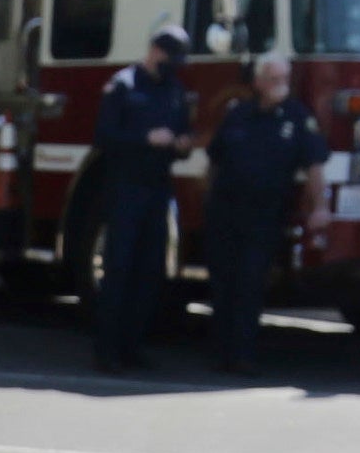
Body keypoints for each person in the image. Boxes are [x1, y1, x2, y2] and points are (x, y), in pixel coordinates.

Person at [200, 53, 328, 372]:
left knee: (250, 283)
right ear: (257, 82)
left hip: (264, 216)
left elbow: (314, 165)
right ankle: (220, 352)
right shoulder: (238, 114)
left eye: (284, 79)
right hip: (225, 213)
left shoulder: (297, 117)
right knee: (223, 283)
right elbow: (215, 161)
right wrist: (208, 201)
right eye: (273, 79)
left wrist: (320, 207)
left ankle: (243, 355)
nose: (279, 85)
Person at [92, 25, 194, 371]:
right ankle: (107, 351)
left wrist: (181, 145)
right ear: (154, 50)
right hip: (125, 186)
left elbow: (182, 131)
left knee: (149, 270)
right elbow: (104, 136)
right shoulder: (124, 85)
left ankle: (133, 346)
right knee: (118, 268)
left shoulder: (174, 90)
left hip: (157, 187)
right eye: (169, 56)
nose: (173, 64)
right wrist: (145, 138)